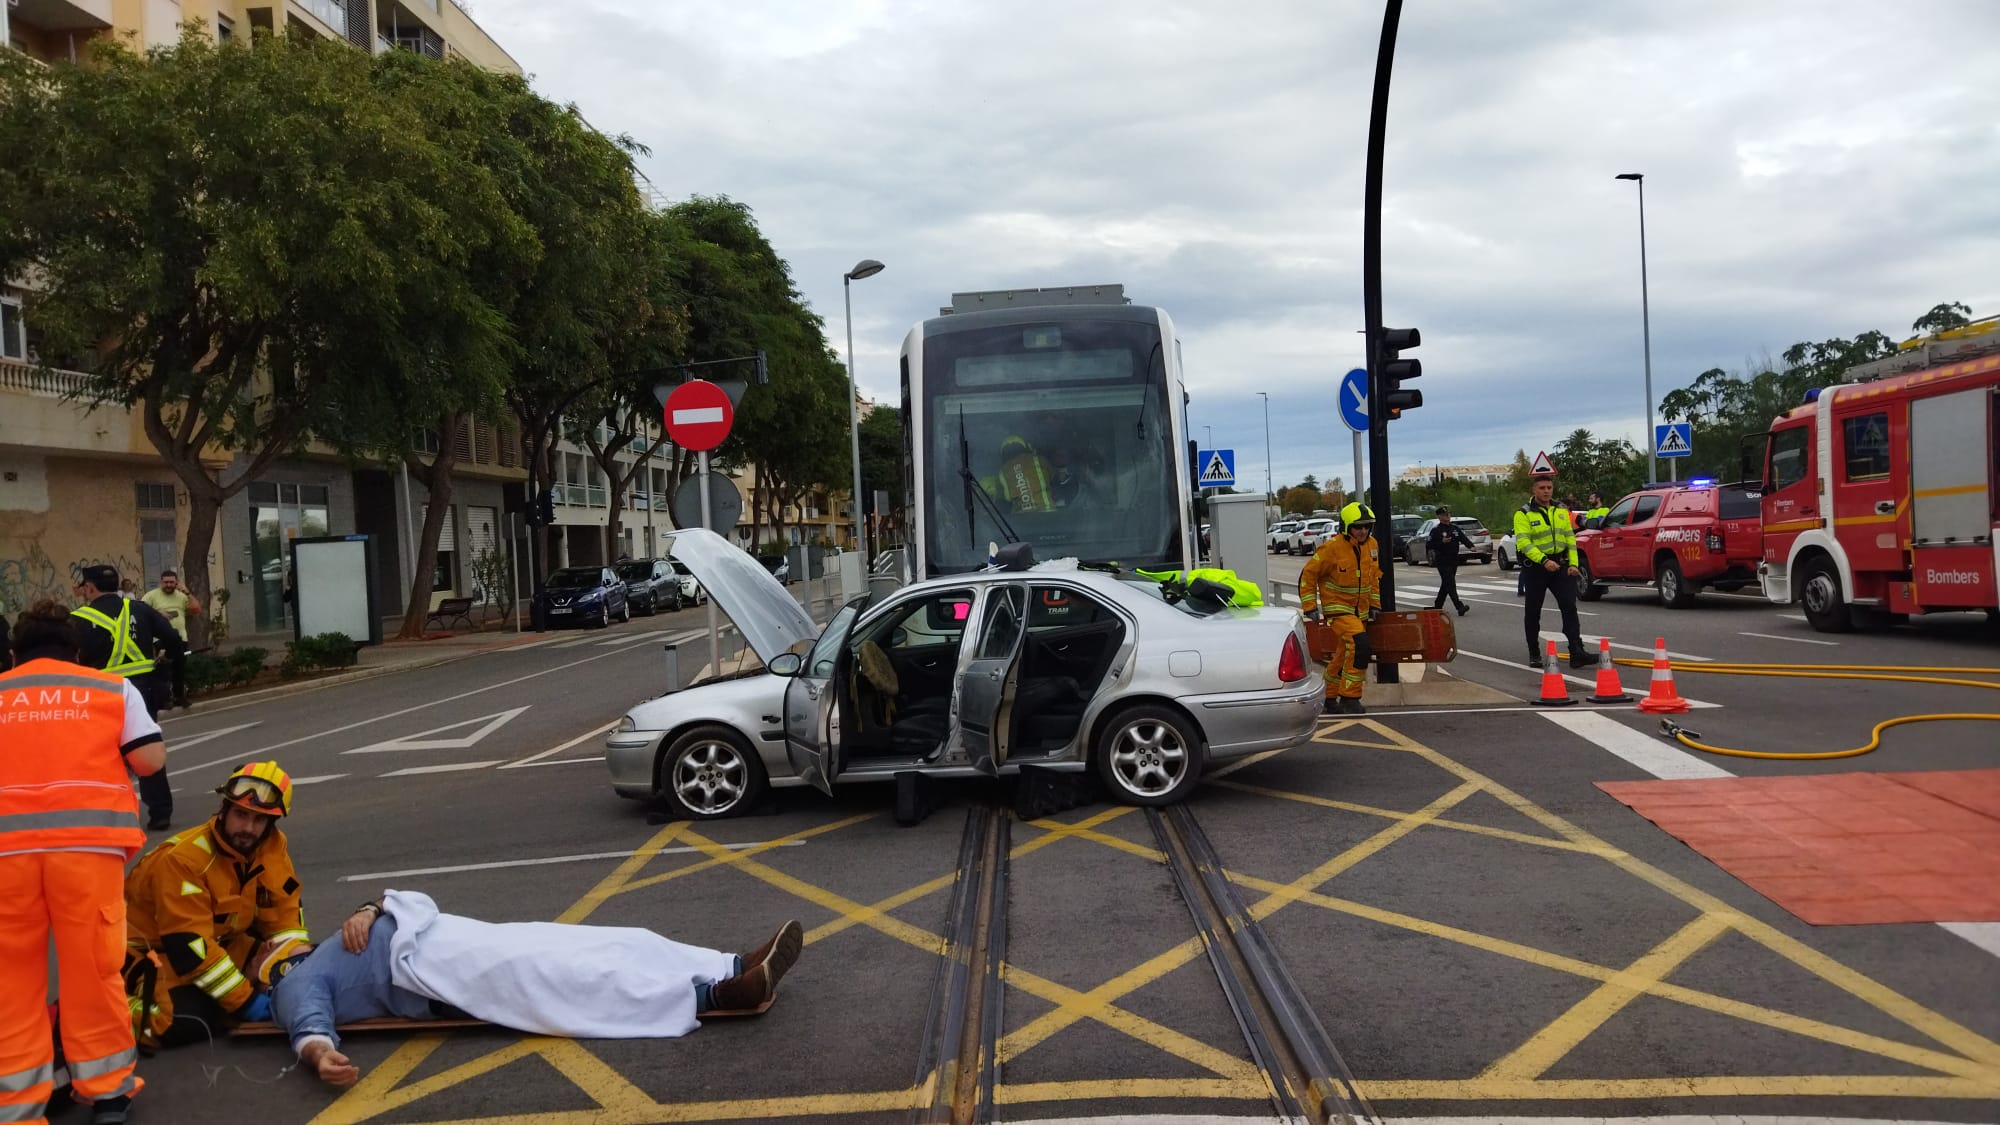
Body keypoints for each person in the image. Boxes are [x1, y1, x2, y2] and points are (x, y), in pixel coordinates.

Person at [256, 891, 805, 1088]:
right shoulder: (297, 982)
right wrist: (320, 1055)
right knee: (576, 978)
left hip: (459, 937)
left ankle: (731, 963)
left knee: (610, 941)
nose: (268, 944)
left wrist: (374, 906)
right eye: (260, 949)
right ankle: (712, 995)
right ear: (266, 968)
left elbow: (400, 904)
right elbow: (309, 1022)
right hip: (448, 972)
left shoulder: (328, 941)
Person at [0, 599, 168, 1125]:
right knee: (92, 972)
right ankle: (107, 1093)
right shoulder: (110, 689)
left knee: (11, 981)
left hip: (5, 856)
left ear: (13, 652)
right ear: (76, 650)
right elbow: (149, 759)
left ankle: (17, 1106)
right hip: (87, 852)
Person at [123, 761, 305, 1049]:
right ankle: (99, 1009)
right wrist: (245, 1001)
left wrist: (293, 959)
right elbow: (190, 948)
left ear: (272, 824)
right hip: (147, 954)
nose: (247, 827)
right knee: (183, 1022)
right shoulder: (183, 860)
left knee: (303, 968)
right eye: (241, 814)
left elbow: (284, 915)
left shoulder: (271, 846)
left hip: (220, 941)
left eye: (259, 820)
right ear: (224, 809)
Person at [70, 565, 184, 829]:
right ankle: (160, 813)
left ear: (89, 588)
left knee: (100, 754)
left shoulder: (77, 619)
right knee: (144, 749)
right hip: (143, 691)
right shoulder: (140, 609)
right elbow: (172, 638)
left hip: (99, 693)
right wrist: (168, 659)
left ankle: (106, 813)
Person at [1299, 501, 1380, 715]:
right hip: (1338, 610)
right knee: (1360, 646)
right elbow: (1308, 575)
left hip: (1359, 612)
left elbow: (1373, 578)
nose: (1363, 531)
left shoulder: (1372, 545)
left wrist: (1375, 604)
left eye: (1366, 526)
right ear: (1346, 527)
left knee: (1344, 654)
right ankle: (1350, 698)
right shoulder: (1332, 548)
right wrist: (1309, 606)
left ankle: (1328, 696)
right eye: (1358, 527)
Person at [1513, 476, 1599, 670]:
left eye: (1549, 487)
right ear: (1534, 490)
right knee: (1533, 611)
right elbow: (1524, 543)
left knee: (1569, 607)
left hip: (1560, 566)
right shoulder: (1523, 514)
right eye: (1542, 488)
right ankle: (1534, 652)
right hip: (1536, 568)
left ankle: (1576, 651)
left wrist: (1574, 564)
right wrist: (1543, 561)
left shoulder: (1560, 511)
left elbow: (1570, 537)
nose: (1546, 491)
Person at [141, 568, 200, 708]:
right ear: (161, 582)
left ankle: (179, 697)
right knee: (163, 671)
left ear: (176, 583)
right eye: (166, 582)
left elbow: (196, 609)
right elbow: (140, 611)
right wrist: (157, 613)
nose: (168, 585)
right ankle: (164, 699)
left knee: (179, 669)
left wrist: (187, 593)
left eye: (171, 582)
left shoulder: (182, 596)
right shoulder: (151, 596)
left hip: (180, 638)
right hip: (160, 639)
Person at [1426, 506, 1475, 616]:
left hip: (1453, 559)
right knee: (1450, 583)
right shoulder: (1436, 530)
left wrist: (1470, 546)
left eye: (1448, 514)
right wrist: (1441, 542)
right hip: (1442, 560)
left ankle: (1437, 605)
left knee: (1446, 583)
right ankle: (1459, 606)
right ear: (1439, 517)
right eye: (1444, 515)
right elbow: (1429, 545)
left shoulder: (1454, 528)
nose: (1447, 517)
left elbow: (1462, 538)